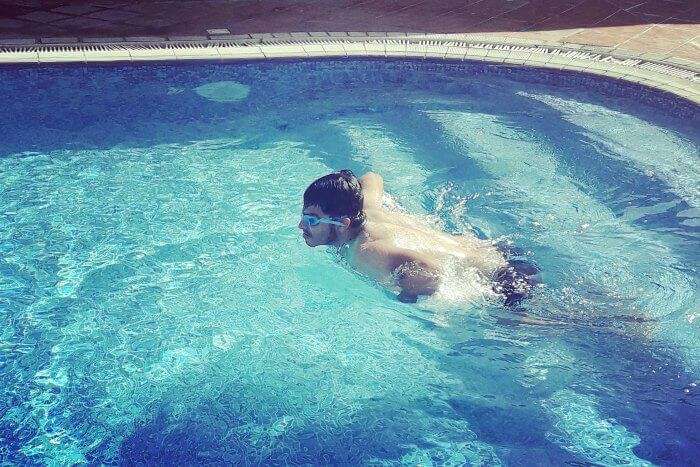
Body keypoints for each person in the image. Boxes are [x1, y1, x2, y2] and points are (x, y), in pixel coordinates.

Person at [298, 170, 538, 304]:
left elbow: (430, 269)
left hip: (504, 283)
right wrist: (344, 191)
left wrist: (407, 295)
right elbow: (372, 177)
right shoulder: (367, 209)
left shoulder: (365, 253)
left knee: (560, 329)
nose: (301, 225)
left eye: (312, 220)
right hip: (498, 251)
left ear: (343, 224)